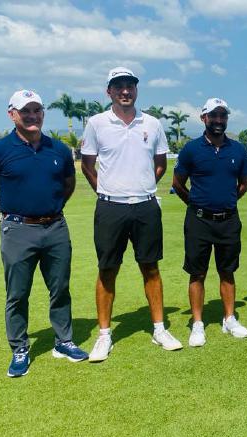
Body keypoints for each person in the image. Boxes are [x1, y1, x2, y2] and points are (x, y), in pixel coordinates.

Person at [0, 90, 88, 377]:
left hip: (55, 228)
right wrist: (4, 212)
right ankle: (20, 348)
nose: (32, 115)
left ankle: (63, 341)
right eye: (25, 110)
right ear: (12, 114)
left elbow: (68, 183)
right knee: (17, 293)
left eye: (37, 110)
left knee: (60, 288)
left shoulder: (59, 150)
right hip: (18, 230)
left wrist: (53, 209)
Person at [81, 67, 182, 362]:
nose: (125, 91)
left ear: (136, 90)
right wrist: (105, 190)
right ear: (109, 91)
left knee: (150, 267)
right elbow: (88, 164)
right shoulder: (97, 123)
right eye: (119, 86)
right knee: (107, 269)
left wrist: (143, 184)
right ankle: (104, 335)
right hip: (110, 206)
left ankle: (159, 329)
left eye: (130, 86)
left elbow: (160, 163)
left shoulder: (151, 123)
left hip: (146, 206)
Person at [173, 98, 247, 345]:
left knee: (227, 271)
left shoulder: (238, 150)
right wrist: (196, 204)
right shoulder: (191, 149)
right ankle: (197, 324)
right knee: (197, 273)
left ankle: (229, 319)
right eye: (214, 116)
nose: (219, 120)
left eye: (223, 116)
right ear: (203, 118)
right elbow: (177, 183)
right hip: (198, 222)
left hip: (228, 221)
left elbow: (243, 184)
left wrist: (226, 202)